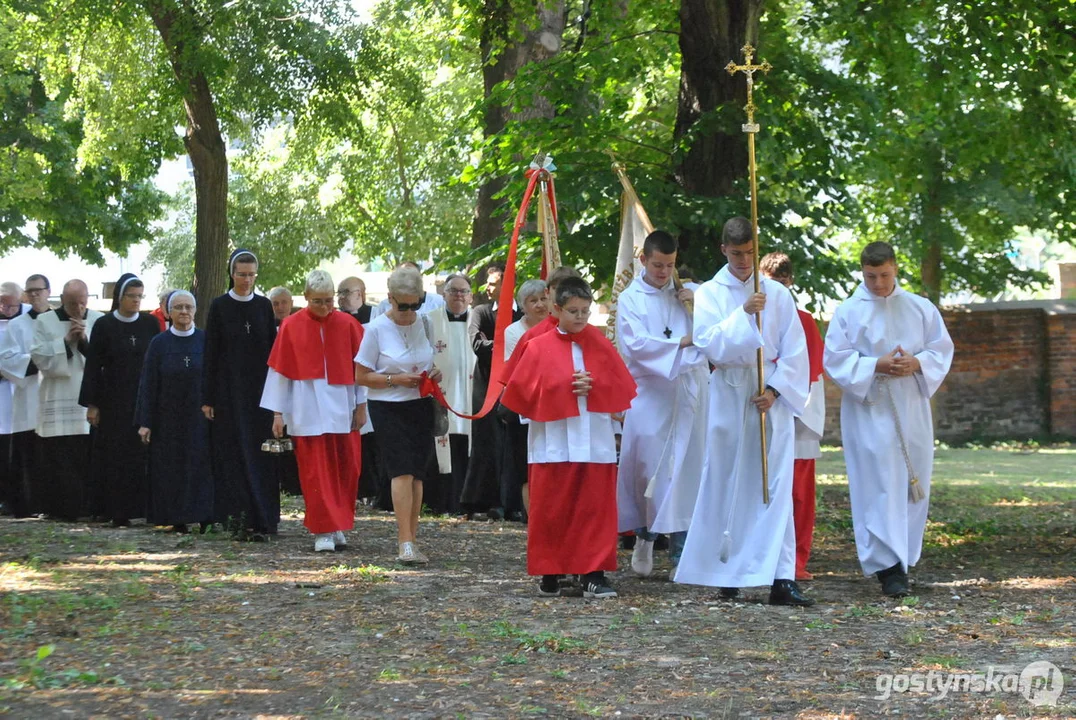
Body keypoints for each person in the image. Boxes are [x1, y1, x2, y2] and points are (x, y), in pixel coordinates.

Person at [674, 217, 814, 606]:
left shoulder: (778, 295)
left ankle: (781, 576)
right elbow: (710, 345)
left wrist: (775, 389)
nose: (744, 261)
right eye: (736, 254)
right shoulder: (712, 294)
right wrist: (744, 314)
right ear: (724, 250)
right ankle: (726, 569)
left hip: (769, 394)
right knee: (727, 478)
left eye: (750, 253)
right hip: (730, 390)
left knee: (774, 484)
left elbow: (795, 351)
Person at [824, 241, 954, 598]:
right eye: (870, 276)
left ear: (895, 268)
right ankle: (887, 567)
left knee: (912, 481)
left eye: (883, 275)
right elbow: (835, 358)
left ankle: (905, 558)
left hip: (911, 406)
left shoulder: (919, 307)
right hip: (870, 408)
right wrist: (875, 364)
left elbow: (941, 349)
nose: (878, 283)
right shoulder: (848, 311)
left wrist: (918, 363)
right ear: (862, 272)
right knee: (877, 482)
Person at [502, 277, 637, 599]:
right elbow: (520, 395)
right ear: (557, 309)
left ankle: (593, 572)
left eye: (586, 311)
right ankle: (551, 569)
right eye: (574, 311)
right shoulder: (536, 344)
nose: (580, 317)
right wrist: (558, 387)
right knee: (552, 507)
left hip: (594, 438)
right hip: (553, 440)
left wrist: (595, 386)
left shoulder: (600, 342)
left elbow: (620, 387)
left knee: (594, 507)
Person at [616, 230, 709, 577]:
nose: (663, 272)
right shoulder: (630, 299)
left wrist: (698, 307)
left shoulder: (689, 294)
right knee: (648, 469)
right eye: (657, 264)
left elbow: (714, 335)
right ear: (643, 259)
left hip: (689, 392)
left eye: (669, 265)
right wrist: (684, 342)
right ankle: (645, 537)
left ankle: (682, 552)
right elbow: (636, 346)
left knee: (688, 468)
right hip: (650, 393)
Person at [261, 271, 366, 552]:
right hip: (306, 408)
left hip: (344, 407)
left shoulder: (348, 324)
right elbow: (279, 372)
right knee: (315, 472)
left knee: (347, 469)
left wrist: (362, 404)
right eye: (318, 301)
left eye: (329, 301)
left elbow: (363, 369)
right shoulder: (291, 326)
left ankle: (338, 523)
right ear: (306, 297)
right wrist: (277, 413)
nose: (325, 307)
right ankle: (323, 529)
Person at [355, 266, 443, 564]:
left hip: (419, 403)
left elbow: (430, 358)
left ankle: (413, 538)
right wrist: (395, 380)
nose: (408, 311)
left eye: (414, 304)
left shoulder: (426, 323)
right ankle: (403, 541)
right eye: (402, 305)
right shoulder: (376, 328)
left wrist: (433, 374)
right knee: (401, 470)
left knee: (418, 474)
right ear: (390, 298)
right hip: (388, 405)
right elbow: (361, 376)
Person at [202, 249, 279, 539]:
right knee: (232, 455)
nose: (246, 280)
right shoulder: (220, 306)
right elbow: (211, 353)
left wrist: (277, 396)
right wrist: (207, 397)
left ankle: (264, 518)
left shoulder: (263, 306)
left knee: (261, 455)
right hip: (228, 393)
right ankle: (237, 518)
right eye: (241, 274)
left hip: (260, 393)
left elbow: (273, 351)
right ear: (232, 275)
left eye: (251, 275)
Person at [761, 252, 826, 581]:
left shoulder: (804, 321)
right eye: (773, 284)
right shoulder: (752, 316)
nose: (779, 292)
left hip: (796, 416)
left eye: (784, 285)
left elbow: (811, 373)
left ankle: (796, 561)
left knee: (798, 494)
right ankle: (761, 556)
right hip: (759, 414)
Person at [79, 273, 160, 525]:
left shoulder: (149, 324)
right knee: (115, 456)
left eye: (139, 296)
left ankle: (143, 508)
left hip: (143, 397)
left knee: (142, 454)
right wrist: (93, 404)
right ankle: (115, 509)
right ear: (119, 297)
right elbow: (93, 365)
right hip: (113, 400)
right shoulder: (104, 325)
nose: (136, 301)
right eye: (131, 296)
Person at [134, 290, 214, 532]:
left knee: (200, 466)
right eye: (178, 307)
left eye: (188, 307)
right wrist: (145, 421)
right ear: (169, 312)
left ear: (195, 310)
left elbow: (214, 377)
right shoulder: (159, 344)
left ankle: (204, 516)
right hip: (168, 418)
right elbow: (148, 383)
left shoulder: (205, 340)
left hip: (199, 417)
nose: (184, 312)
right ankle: (177, 518)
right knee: (172, 467)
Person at [30, 280, 103, 520]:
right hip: (57, 395)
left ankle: (87, 507)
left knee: (87, 456)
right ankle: (58, 508)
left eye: (82, 302)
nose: (78, 308)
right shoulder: (45, 321)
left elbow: (103, 359)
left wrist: (83, 340)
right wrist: (65, 342)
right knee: (59, 457)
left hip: (87, 397)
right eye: (72, 303)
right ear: (62, 299)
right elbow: (40, 358)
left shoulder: (98, 320)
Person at [462, 262, 520, 519]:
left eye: (495, 284)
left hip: (516, 385)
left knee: (513, 442)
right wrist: (510, 344)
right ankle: (485, 500)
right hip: (486, 386)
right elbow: (478, 343)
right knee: (488, 441)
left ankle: (514, 501)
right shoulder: (481, 312)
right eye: (488, 283)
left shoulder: (522, 316)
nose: (488, 288)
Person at [424, 273, 475, 515]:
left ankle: (468, 503)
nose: (459, 296)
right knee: (443, 447)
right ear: (443, 295)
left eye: (463, 291)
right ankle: (441, 503)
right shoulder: (429, 321)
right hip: (443, 394)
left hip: (471, 395)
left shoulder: (481, 320)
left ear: (471, 296)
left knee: (469, 447)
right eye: (453, 291)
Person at [0, 275, 51, 517]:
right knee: (29, 455)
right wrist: (45, 360)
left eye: (38, 291)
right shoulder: (17, 325)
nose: (34, 295)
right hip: (28, 396)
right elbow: (8, 359)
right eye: (30, 292)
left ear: (47, 292)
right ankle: (28, 505)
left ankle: (57, 503)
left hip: (57, 395)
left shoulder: (58, 321)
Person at [500, 278, 550, 521]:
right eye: (534, 301)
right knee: (525, 467)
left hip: (552, 406)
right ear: (523, 306)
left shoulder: (561, 326)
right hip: (524, 407)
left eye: (543, 298)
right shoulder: (513, 332)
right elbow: (518, 369)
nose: (540, 305)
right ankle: (534, 521)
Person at [0, 282, 30, 516]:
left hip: (24, 389)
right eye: (2, 303)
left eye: (11, 304)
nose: (6, 308)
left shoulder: (29, 319)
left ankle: (22, 498)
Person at [370, 262, 445, 319]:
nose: (409, 312)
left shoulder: (439, 302)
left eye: (414, 306)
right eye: (402, 307)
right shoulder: (383, 306)